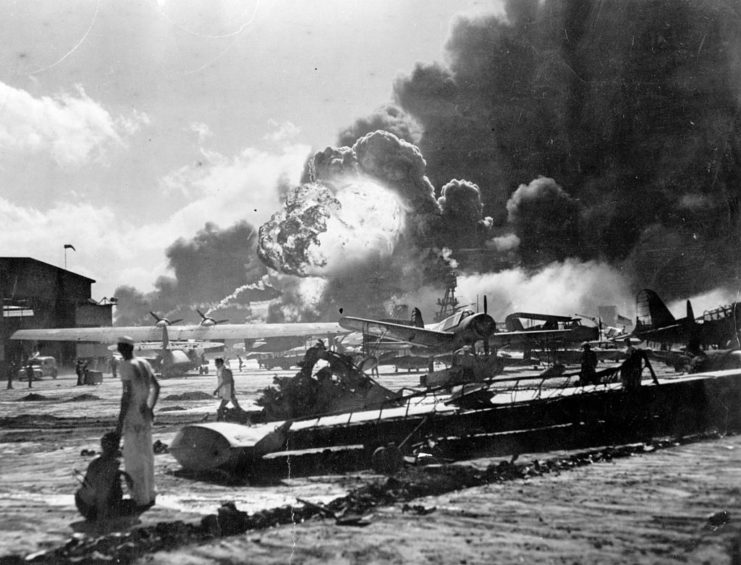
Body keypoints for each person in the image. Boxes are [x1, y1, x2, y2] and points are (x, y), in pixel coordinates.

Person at [114, 336, 159, 510]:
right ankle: (149, 494)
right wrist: (150, 407)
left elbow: (126, 396)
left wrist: (119, 422)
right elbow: (157, 387)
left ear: (122, 348)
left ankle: (139, 497)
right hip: (145, 415)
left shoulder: (125, 366)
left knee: (133, 458)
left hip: (133, 415)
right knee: (147, 455)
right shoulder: (144, 364)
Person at [75, 431, 136, 521]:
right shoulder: (110, 464)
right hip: (95, 509)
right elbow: (101, 490)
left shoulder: (96, 462)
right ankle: (108, 512)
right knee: (131, 505)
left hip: (85, 506)